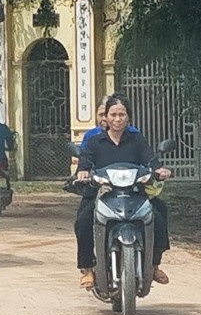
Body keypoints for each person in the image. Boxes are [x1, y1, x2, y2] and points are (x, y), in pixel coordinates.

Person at [74, 95, 173, 289]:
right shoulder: (95, 142)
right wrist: (83, 172)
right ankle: (87, 269)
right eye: (113, 114)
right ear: (106, 118)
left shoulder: (137, 140)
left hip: (134, 192)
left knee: (160, 215)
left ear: (128, 117)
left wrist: (159, 170)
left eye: (121, 114)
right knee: (83, 220)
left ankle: (154, 265)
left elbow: (150, 160)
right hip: (104, 193)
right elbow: (85, 162)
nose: (117, 119)